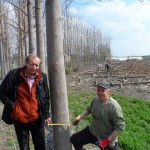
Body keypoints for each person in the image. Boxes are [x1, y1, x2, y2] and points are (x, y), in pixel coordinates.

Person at [0, 54, 51, 150]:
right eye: (32, 64)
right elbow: (2, 93)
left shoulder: (42, 77)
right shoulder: (14, 75)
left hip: (37, 118)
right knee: (24, 147)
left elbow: (45, 98)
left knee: (40, 146)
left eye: (37, 65)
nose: (34, 67)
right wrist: (12, 105)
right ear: (26, 63)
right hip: (20, 118)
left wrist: (47, 115)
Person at [70, 80, 125, 150]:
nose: (100, 93)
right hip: (92, 132)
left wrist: (107, 141)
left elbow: (120, 127)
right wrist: (79, 117)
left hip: (106, 138)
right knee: (74, 139)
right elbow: (89, 109)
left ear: (108, 91)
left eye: (103, 90)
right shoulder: (96, 100)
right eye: (98, 90)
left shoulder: (114, 107)